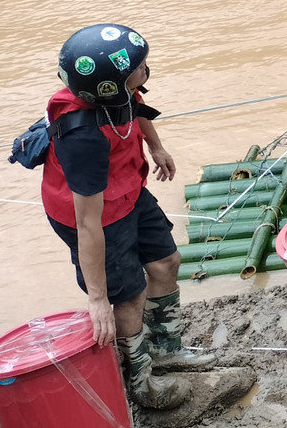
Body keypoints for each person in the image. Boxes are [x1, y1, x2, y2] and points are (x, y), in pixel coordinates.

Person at [43, 24, 213, 410]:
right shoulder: (82, 137)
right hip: (93, 213)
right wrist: (98, 298)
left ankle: (166, 347)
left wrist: (156, 146)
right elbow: (87, 223)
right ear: (107, 87)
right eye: (139, 66)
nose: (145, 69)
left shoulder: (116, 90)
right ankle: (141, 378)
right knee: (128, 295)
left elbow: (134, 104)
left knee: (166, 261)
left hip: (128, 189)